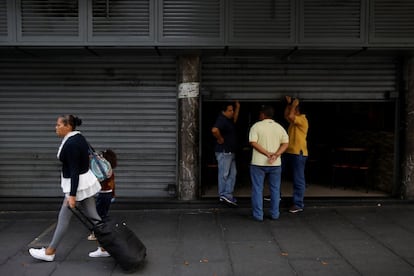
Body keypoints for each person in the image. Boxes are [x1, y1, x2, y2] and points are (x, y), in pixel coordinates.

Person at [28, 115, 103, 262]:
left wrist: (72, 195)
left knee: (63, 219)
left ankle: (50, 252)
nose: (56, 128)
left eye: (58, 125)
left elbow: (74, 171)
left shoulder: (72, 144)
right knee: (95, 219)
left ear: (68, 126)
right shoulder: (78, 137)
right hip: (84, 182)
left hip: (77, 187)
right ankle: (106, 246)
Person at [249, 105, 289, 221]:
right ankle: (275, 214)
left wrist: (267, 154)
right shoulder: (279, 127)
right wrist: (276, 155)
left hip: (258, 164)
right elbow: (286, 143)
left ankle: (258, 215)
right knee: (275, 189)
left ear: (262, 114)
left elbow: (253, 142)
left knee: (257, 189)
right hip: (275, 164)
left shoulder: (256, 126)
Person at [211, 101, 240, 206]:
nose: (232, 112)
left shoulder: (228, 120)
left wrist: (238, 108)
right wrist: (220, 139)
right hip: (224, 152)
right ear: (223, 111)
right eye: (230, 110)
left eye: (232, 110)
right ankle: (223, 194)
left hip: (230, 152)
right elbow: (214, 130)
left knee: (233, 173)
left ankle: (228, 194)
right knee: (224, 174)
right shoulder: (221, 119)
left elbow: (235, 118)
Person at [284, 96, 309, 213]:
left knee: (298, 178)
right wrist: (289, 104)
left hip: (298, 153)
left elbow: (290, 116)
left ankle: (298, 204)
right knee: (278, 172)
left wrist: (293, 105)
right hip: (289, 152)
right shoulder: (294, 120)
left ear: (297, 110)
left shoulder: (302, 119)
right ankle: (276, 195)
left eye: (294, 109)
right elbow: (286, 116)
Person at [87, 149, 117, 241]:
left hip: (103, 195)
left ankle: (97, 234)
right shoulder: (110, 171)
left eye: (102, 156)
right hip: (108, 195)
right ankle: (105, 231)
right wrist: (113, 195)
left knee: (98, 215)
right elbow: (113, 185)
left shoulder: (105, 172)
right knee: (103, 214)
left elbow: (99, 178)